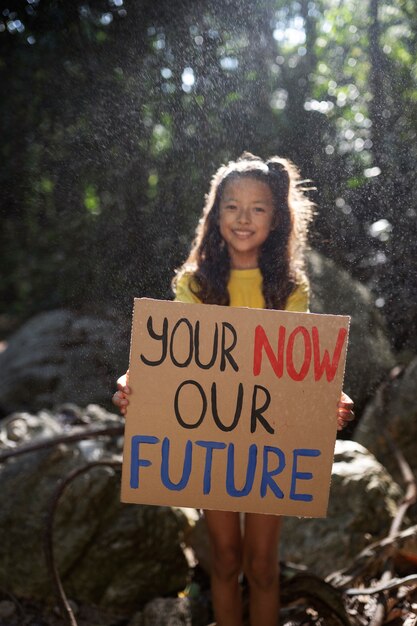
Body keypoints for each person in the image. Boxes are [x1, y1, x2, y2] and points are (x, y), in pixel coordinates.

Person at [113, 152, 354, 626]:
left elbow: (300, 368)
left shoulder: (290, 289)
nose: (244, 219)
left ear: (276, 217)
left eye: (258, 208)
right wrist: (135, 384)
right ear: (215, 213)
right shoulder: (194, 284)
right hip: (212, 442)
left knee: (262, 567)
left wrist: (328, 397)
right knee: (224, 560)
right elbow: (175, 358)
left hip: (268, 445)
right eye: (232, 206)